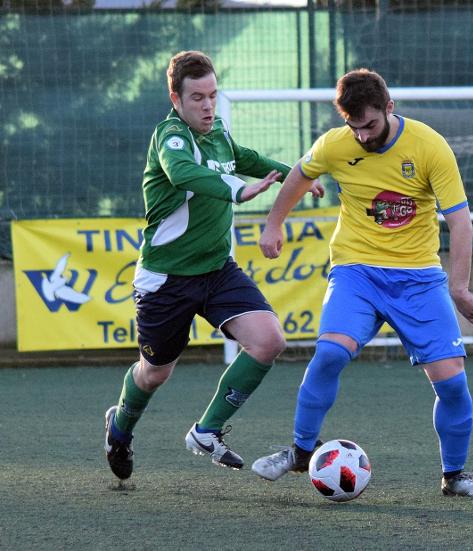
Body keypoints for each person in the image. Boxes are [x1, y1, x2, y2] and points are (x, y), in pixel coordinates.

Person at [251, 69, 473, 497]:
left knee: (453, 383)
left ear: (389, 108)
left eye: (370, 125)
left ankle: (454, 475)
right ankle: (299, 451)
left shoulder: (429, 146)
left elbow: (460, 223)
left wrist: (459, 287)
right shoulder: (335, 144)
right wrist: (274, 224)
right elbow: (299, 174)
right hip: (357, 271)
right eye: (354, 127)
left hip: (419, 279)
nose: (363, 136)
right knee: (329, 353)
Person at [104, 50, 323, 480]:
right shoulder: (170, 139)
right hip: (166, 280)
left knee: (268, 340)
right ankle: (120, 430)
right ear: (176, 99)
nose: (208, 106)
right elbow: (185, 173)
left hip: (217, 270)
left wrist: (295, 174)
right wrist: (239, 192)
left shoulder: (218, 129)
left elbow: (244, 156)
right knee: (154, 374)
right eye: (198, 98)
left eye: (213, 95)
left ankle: (207, 430)